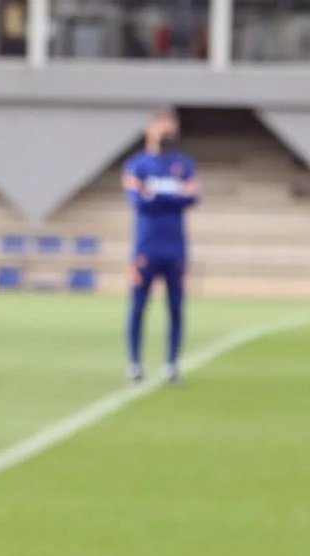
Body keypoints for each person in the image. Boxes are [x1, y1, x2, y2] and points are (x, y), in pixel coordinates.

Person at [122, 107, 199, 384]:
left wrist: (157, 196)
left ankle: (172, 364)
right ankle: (134, 363)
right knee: (138, 306)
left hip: (175, 248)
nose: (168, 134)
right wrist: (171, 196)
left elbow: (191, 197)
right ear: (150, 130)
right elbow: (138, 200)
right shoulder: (138, 164)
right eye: (163, 128)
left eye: (171, 128)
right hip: (146, 246)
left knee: (176, 307)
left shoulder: (184, 164)